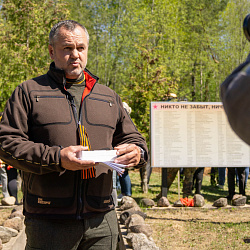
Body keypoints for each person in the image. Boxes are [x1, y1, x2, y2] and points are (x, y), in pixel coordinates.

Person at [0, 20, 148, 250]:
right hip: (48, 221)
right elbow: (6, 144)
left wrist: (137, 151)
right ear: (51, 50)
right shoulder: (28, 92)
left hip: (102, 221)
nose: (75, 54)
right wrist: (57, 158)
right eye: (67, 48)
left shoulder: (108, 97)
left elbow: (134, 138)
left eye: (81, 48)